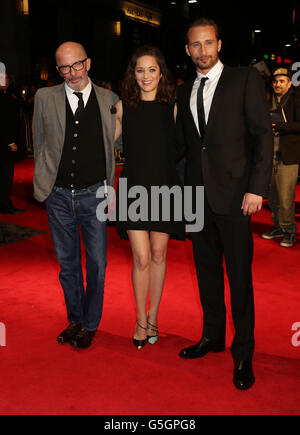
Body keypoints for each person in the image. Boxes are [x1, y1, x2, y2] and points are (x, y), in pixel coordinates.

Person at [176, 18, 273, 390]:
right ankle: (213, 336)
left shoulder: (244, 79)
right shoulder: (185, 91)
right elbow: (187, 148)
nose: (202, 51)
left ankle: (243, 352)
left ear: (219, 44)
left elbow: (263, 137)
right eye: (195, 45)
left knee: (239, 278)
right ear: (187, 50)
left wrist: (256, 188)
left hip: (236, 197)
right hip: (198, 200)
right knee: (207, 274)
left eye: (208, 43)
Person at [32, 42, 119, 349]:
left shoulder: (110, 100)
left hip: (95, 194)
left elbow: (116, 145)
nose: (72, 73)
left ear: (89, 63)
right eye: (65, 68)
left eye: (77, 65)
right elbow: (39, 142)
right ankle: (75, 319)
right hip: (57, 196)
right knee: (68, 264)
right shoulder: (44, 98)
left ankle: (90, 323)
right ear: (58, 70)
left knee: (97, 263)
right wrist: (42, 182)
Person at [114, 45, 185, 349]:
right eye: (139, 70)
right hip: (133, 189)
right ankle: (140, 321)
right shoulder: (122, 107)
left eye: (151, 69)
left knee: (158, 255)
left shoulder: (174, 106)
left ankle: (153, 315)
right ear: (133, 74)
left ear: (161, 73)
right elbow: (105, 140)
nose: (145, 76)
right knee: (141, 257)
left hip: (166, 188)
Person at [261, 68, 300, 248]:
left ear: (290, 83)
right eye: (275, 81)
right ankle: (277, 226)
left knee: (285, 197)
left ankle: (289, 230)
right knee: (273, 196)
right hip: (269, 155)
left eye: (282, 81)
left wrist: (280, 126)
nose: (277, 84)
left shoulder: (295, 99)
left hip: (288, 156)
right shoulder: (268, 101)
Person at [0, 73, 25, 214]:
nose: (6, 81)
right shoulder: (3, 98)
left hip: (4, 142)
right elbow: (3, 122)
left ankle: (4, 203)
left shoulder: (7, 95)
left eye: (7, 79)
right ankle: (5, 205)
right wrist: (10, 142)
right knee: (5, 176)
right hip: (4, 144)